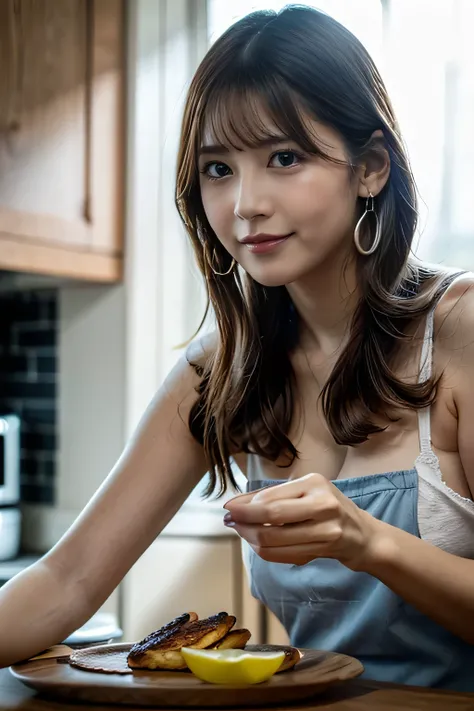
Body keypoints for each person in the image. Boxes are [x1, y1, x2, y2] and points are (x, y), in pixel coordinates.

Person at [0, 4, 473, 690]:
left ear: (370, 166)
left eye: (285, 157)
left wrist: (368, 541)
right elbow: (67, 579)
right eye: (218, 168)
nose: (245, 203)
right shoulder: (217, 371)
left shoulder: (457, 331)